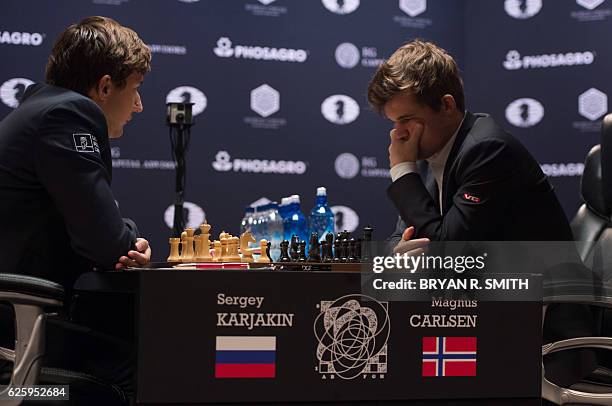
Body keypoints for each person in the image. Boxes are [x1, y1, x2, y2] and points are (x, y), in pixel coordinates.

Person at [367, 39, 597, 389]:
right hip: (485, 314)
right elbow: (406, 235)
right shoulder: (431, 157)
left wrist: (401, 172)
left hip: (542, 334)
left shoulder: (488, 151)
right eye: (394, 122)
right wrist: (401, 253)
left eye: (408, 120)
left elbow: (448, 251)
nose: (399, 135)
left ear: (446, 105)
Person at [0, 16, 153, 400]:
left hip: (15, 318)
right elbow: (107, 242)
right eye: (134, 89)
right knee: (151, 363)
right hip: (17, 329)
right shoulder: (68, 114)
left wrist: (120, 238)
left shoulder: (37, 111)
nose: (139, 105)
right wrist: (130, 239)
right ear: (104, 87)